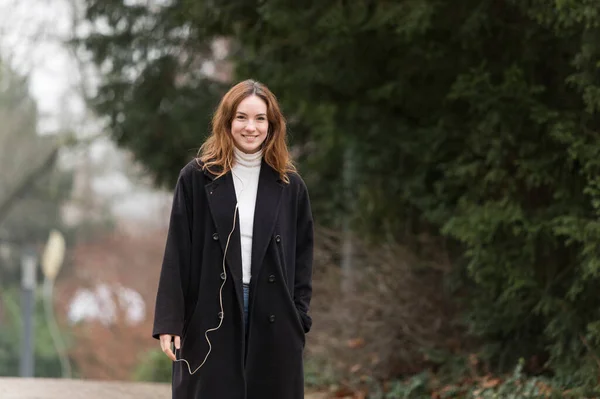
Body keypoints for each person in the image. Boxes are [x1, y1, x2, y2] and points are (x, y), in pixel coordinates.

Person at [152, 79, 314, 399]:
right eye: (241, 117)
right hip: (211, 309)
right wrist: (169, 320)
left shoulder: (290, 185)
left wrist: (299, 317)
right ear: (227, 122)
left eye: (259, 118)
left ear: (272, 125)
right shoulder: (197, 177)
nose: (250, 127)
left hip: (274, 312)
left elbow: (303, 257)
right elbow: (177, 251)